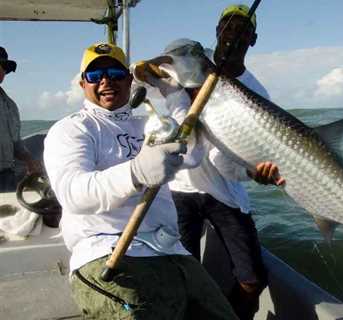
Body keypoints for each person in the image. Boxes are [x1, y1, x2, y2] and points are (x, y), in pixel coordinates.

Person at [43, 42, 239, 320]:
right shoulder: (72, 129)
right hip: (107, 253)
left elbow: (192, 150)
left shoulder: (148, 125)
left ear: (129, 79)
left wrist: (171, 92)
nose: (106, 81)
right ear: (82, 83)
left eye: (115, 72)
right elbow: (73, 192)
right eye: (95, 75)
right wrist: (135, 172)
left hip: (171, 251)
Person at [132, 5, 284, 320]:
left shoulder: (257, 92)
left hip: (225, 191)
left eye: (242, 30)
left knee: (252, 279)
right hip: (177, 188)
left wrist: (254, 173)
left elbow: (242, 161)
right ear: (217, 33)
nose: (233, 35)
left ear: (252, 39)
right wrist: (148, 71)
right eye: (227, 27)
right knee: (181, 274)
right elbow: (143, 77)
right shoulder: (194, 57)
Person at [0, 46, 41, 192]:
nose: (0, 69)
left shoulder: (10, 106)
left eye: (3, 66)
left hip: (6, 176)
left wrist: (30, 161)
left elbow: (16, 143)